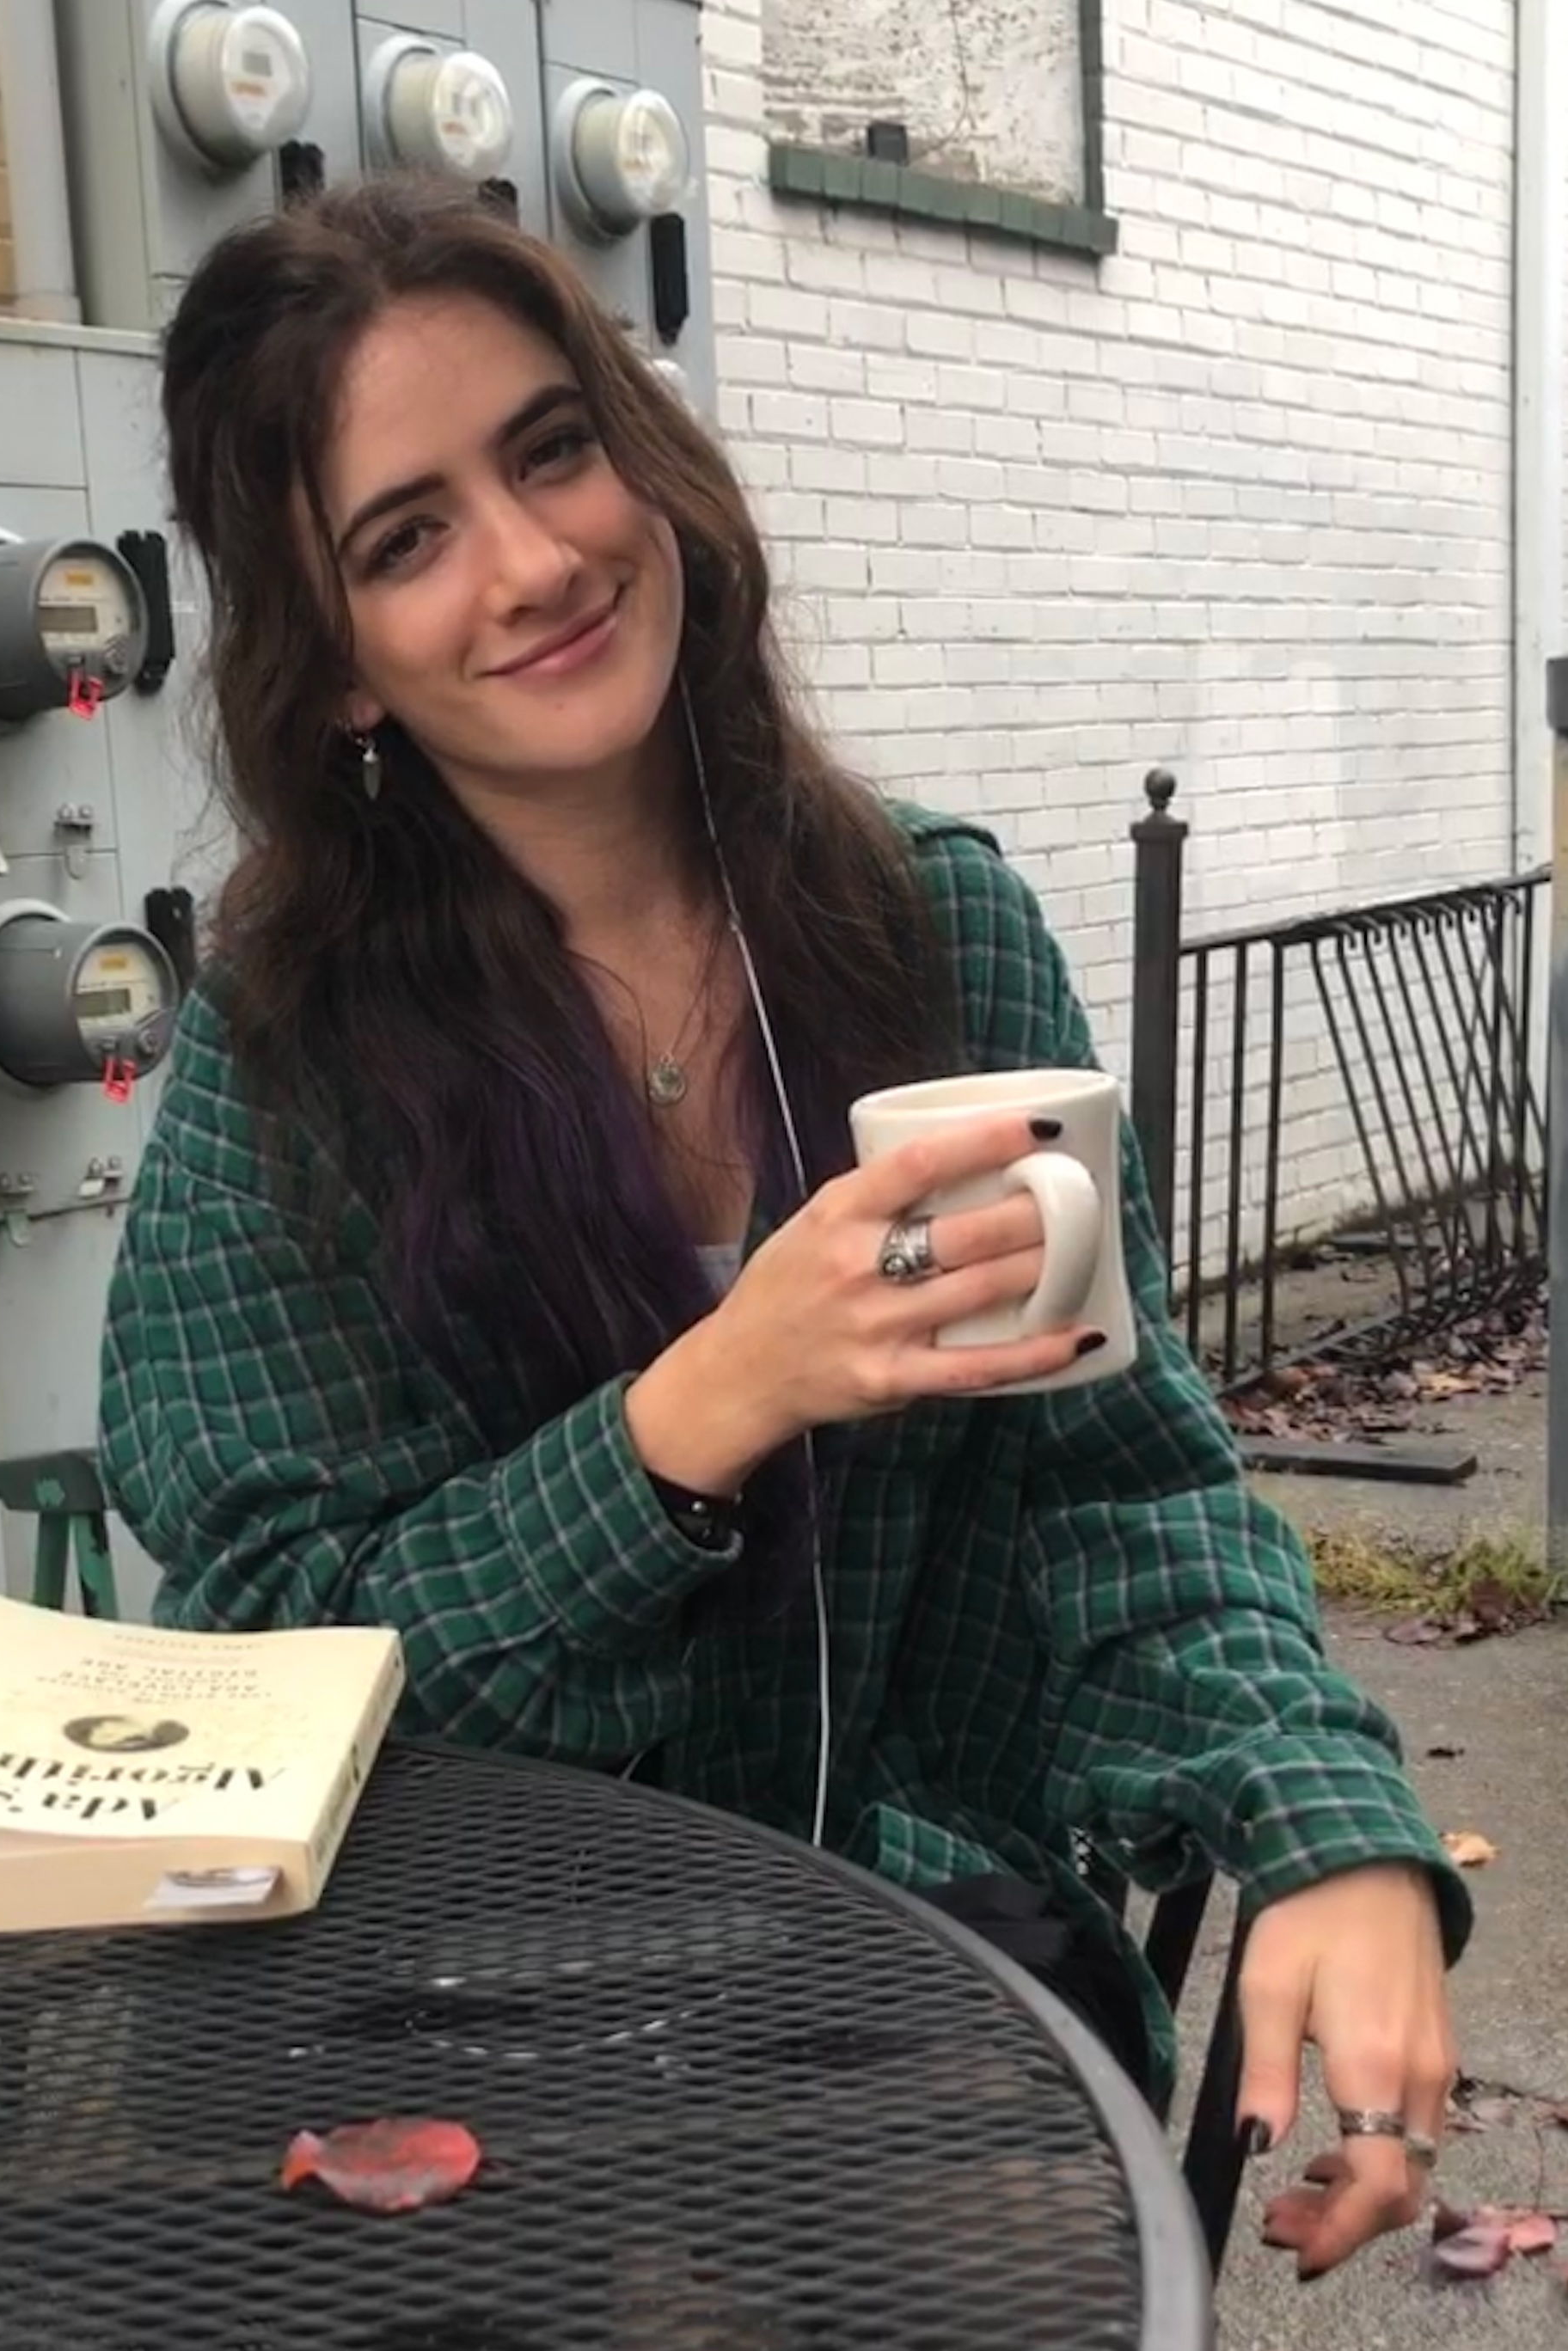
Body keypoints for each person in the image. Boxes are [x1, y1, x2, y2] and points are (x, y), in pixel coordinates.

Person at [98, 173, 1467, 2278]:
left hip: (899, 1969)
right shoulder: (287, 1061)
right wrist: (693, 1414)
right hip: (450, 2006)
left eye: (551, 449)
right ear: (342, 668)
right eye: (408, 533)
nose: (537, 560)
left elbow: (1113, 1484)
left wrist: (1325, 1828)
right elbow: (283, 1663)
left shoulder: (929, 939)